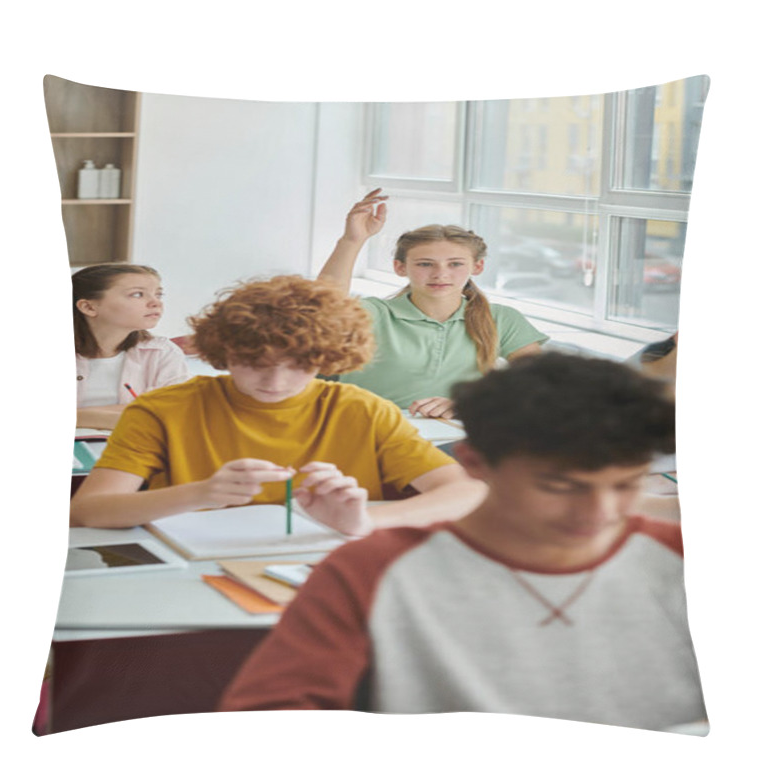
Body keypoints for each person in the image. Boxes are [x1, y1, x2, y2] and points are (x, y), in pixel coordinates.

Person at [218, 352, 707, 733]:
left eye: (627, 485)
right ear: (474, 462)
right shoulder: (372, 572)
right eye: (560, 487)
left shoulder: (684, 559)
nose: (600, 514)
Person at [69, 275, 485, 535]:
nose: (275, 382)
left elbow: (465, 493)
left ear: (326, 360)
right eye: (254, 364)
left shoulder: (362, 409)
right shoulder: (163, 409)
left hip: (323, 570)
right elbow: (87, 510)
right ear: (223, 353)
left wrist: (363, 522)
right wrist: (200, 493)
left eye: (300, 366)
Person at [317, 189, 548, 418]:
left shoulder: (502, 318)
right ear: (400, 267)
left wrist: (466, 403)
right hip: (368, 428)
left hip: (452, 434)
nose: (441, 274)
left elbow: (540, 380)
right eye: (425, 264)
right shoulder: (374, 314)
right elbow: (323, 306)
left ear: (477, 267)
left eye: (455, 264)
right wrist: (352, 240)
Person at [73, 263, 190, 430]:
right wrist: (131, 416)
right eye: (137, 294)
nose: (155, 303)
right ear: (89, 307)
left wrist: (79, 416)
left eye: (158, 294)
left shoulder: (162, 353)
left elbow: (175, 413)